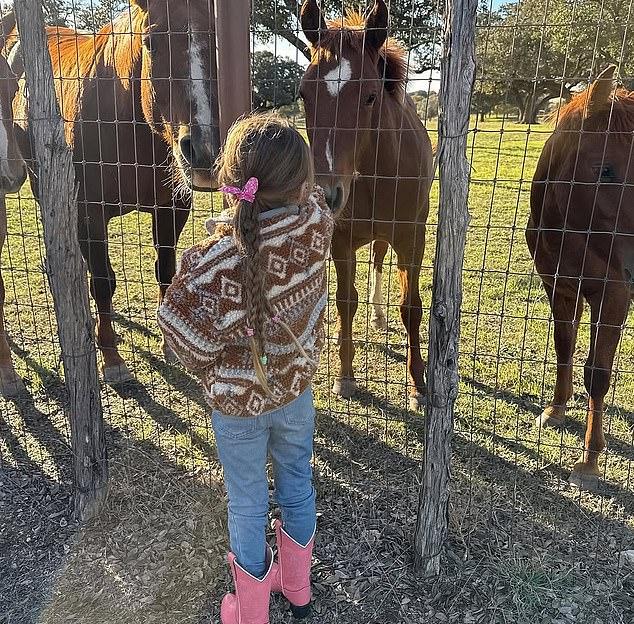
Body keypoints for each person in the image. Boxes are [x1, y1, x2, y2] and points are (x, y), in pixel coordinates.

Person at [157, 113, 334, 624]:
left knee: (248, 501)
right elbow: (314, 203)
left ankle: (250, 609)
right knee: (297, 481)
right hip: (296, 395)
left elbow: (178, 335)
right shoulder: (317, 228)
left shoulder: (211, 265)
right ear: (303, 185)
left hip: (236, 409)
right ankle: (297, 588)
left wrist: (214, 362)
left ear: (229, 182)